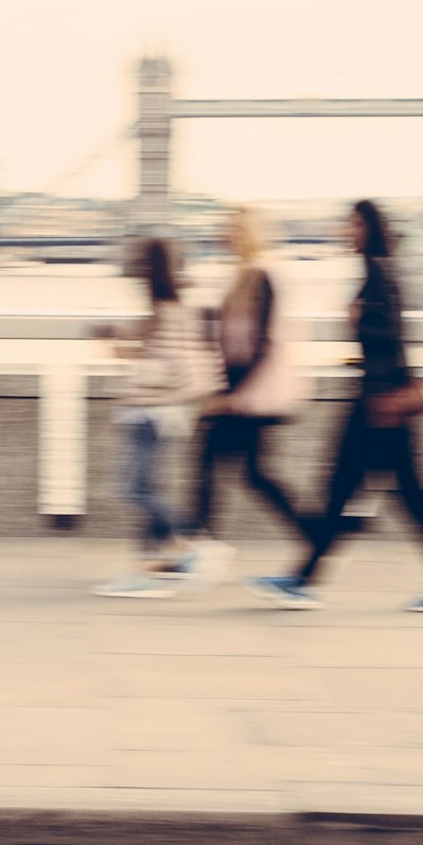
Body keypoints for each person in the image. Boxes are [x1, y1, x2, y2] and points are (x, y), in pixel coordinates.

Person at [254, 198, 423, 612]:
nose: (345, 231)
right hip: (375, 401)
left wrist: (383, 387)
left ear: (369, 227)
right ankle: (303, 579)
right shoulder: (378, 271)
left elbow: (392, 342)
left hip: (381, 405)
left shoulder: (380, 273)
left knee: (406, 494)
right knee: (345, 491)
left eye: (352, 224)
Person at [173, 205, 308, 581]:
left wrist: (233, 395)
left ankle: (201, 546)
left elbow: (263, 342)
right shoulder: (242, 276)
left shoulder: (262, 275)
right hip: (243, 391)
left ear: (249, 233)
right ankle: (315, 534)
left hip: (254, 394)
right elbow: (225, 334)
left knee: (212, 463)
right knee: (251, 473)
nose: (224, 235)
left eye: (231, 228)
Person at [93, 236, 211, 598]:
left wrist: (137, 369)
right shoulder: (165, 308)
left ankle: (192, 538)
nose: (133, 267)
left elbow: (169, 368)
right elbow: (156, 354)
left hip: (151, 415)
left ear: (150, 267)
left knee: (132, 488)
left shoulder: (168, 310)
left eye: (139, 261)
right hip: (153, 414)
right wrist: (125, 345)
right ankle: (150, 566)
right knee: (147, 489)